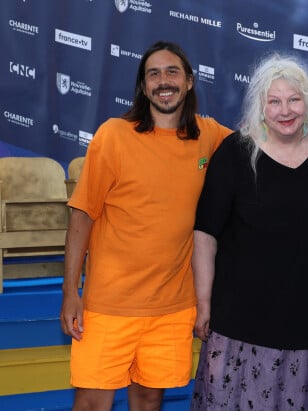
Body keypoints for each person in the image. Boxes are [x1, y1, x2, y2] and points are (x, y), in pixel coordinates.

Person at [59, 41, 232, 410]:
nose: (163, 81)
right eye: (153, 74)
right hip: (108, 306)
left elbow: (265, 146)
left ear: (189, 82)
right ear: (143, 86)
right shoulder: (113, 135)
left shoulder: (210, 135)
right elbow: (82, 214)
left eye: (172, 72)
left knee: (150, 400)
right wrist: (70, 291)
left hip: (172, 308)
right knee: (91, 402)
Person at [190, 53, 308, 410]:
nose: (285, 110)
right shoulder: (234, 153)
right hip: (240, 323)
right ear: (260, 107)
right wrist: (203, 303)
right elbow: (205, 234)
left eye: (294, 99)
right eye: (274, 101)